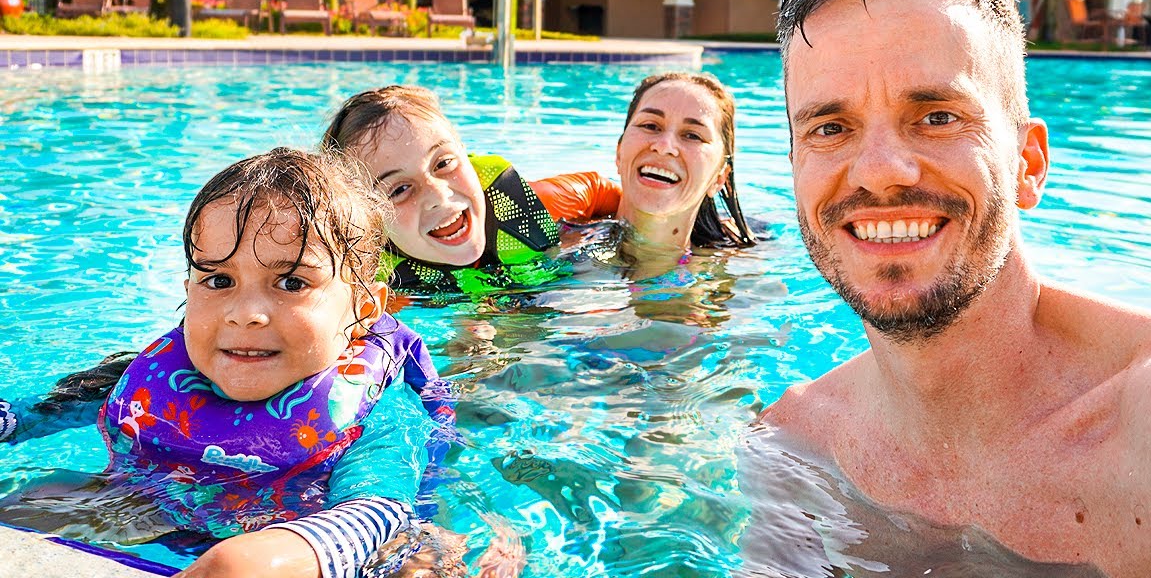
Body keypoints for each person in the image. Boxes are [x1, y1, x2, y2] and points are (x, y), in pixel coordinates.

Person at [751, 0, 1151, 577]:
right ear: (795, 170)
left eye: (937, 115)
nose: (880, 171)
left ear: (1028, 163)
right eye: (830, 129)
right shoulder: (793, 445)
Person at [2, 148, 455, 578]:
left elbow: (379, 510)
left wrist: (271, 554)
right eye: (219, 280)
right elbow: (30, 415)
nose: (245, 313)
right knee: (31, 501)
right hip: (146, 508)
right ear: (187, 290)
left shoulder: (376, 412)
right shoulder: (153, 377)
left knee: (420, 564)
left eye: (291, 282)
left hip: (288, 535)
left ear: (363, 308)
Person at [321, 84, 621, 300]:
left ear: (465, 155)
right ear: (367, 218)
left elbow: (597, 189)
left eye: (444, 163)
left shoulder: (522, 207)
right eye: (399, 189)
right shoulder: (374, 289)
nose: (439, 195)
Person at [612, 72, 756, 276]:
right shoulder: (562, 243)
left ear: (719, 178)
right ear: (619, 153)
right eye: (650, 126)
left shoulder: (743, 278)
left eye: (692, 135)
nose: (664, 146)